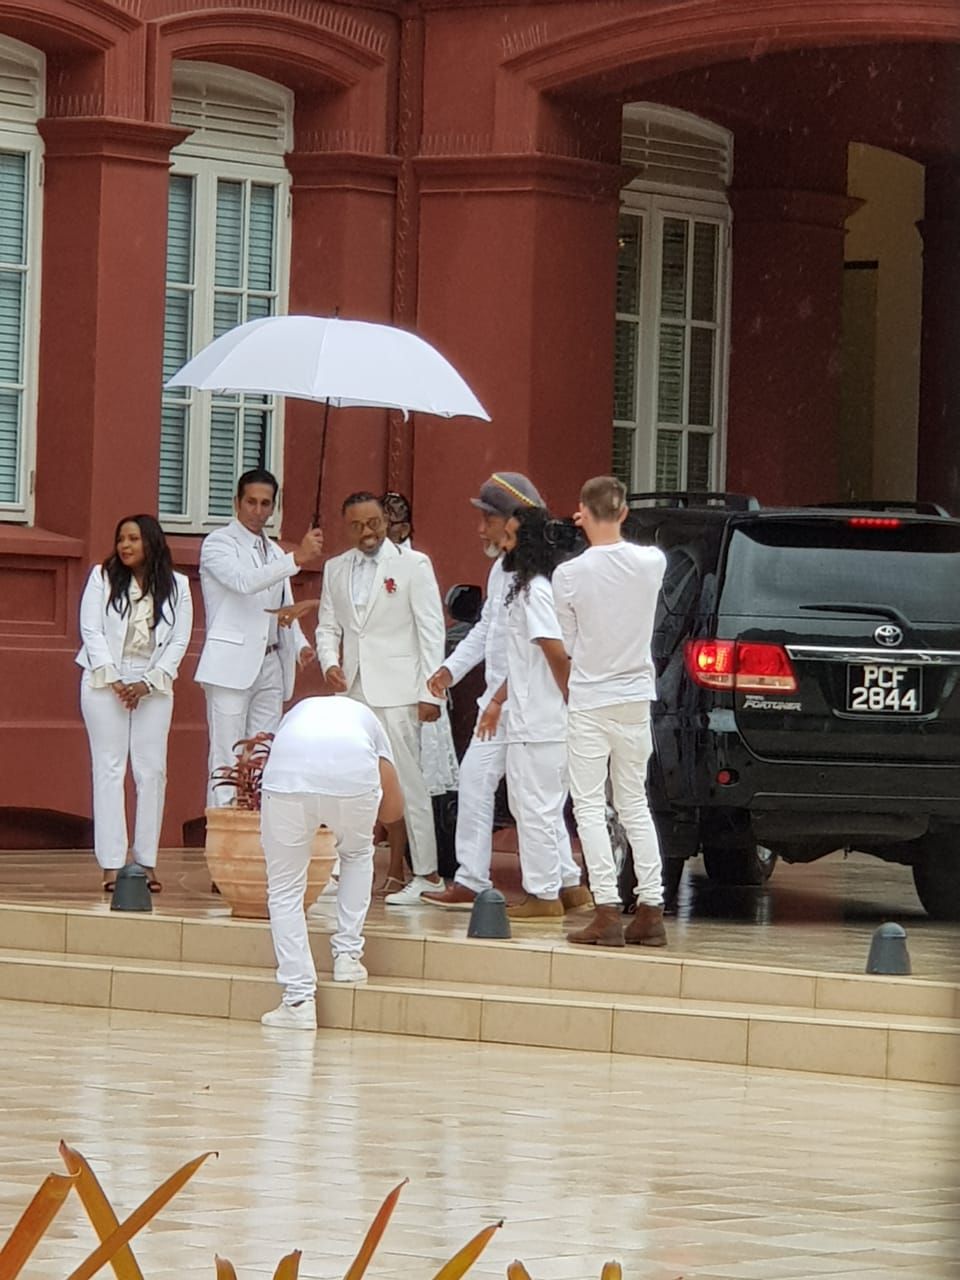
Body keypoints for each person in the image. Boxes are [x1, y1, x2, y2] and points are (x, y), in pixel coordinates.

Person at [423, 473, 591, 913]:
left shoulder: (542, 578)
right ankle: (563, 882)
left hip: (523, 705)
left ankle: (532, 886)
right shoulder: (504, 569)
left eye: (488, 519)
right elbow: (487, 631)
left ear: (516, 521)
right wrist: (450, 670)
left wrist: (502, 700)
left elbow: (543, 653)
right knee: (513, 790)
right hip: (502, 702)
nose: (481, 528)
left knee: (527, 796)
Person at [551, 475, 669, 947]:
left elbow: (570, 642)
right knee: (634, 802)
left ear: (582, 511)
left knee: (588, 806)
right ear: (623, 513)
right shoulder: (651, 562)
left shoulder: (570, 574)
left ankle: (605, 907)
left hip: (591, 696)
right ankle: (652, 906)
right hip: (636, 695)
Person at [315, 491, 446, 904]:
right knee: (348, 779)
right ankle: (341, 866)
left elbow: (431, 631)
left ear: (385, 522)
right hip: (352, 689)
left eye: (372, 523)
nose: (366, 532)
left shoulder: (412, 564)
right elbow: (326, 626)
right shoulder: (336, 569)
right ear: (346, 526)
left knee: (407, 781)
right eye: (356, 525)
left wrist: (431, 692)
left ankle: (426, 873)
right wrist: (327, 663)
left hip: (399, 689)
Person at [259, 697, 403, 1030]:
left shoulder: (296, 716)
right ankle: (348, 958)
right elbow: (393, 811)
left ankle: (298, 999)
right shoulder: (370, 721)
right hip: (353, 778)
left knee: (284, 890)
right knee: (356, 854)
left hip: (287, 778)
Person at [76, 515, 193, 891]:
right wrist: (114, 677)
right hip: (103, 680)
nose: (125, 546)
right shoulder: (102, 576)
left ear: (151, 543)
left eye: (133, 539)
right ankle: (111, 864)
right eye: (121, 538)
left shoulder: (178, 586)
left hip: (153, 682)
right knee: (109, 769)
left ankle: (146, 860)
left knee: (151, 771)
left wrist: (148, 682)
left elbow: (179, 640)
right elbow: (91, 629)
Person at [195, 468, 324, 807]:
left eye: (265, 503)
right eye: (251, 502)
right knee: (227, 755)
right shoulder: (218, 543)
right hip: (230, 665)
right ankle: (222, 833)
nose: (257, 510)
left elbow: (284, 607)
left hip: (271, 660)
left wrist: (300, 644)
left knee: (263, 751)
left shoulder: (274, 551)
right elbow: (243, 581)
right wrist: (297, 558)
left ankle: (255, 826)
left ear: (273, 507)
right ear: (236, 502)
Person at [474, 506, 575, 918]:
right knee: (544, 808)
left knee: (532, 808)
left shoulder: (534, 590)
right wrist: (498, 701)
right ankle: (567, 885)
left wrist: (572, 699)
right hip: (533, 716)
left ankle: (542, 894)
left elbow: (554, 651)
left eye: (512, 537)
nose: (504, 543)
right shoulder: (532, 588)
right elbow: (524, 661)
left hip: (539, 721)